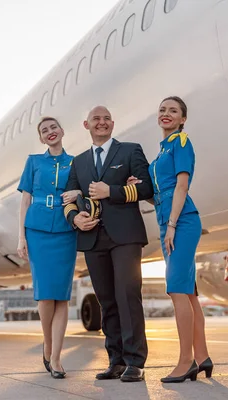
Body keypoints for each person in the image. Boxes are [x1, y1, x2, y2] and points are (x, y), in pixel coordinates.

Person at [63, 106, 154, 382]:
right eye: (96, 119)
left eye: (105, 119)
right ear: (86, 125)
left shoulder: (130, 151)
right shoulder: (78, 162)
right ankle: (115, 360)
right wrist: (75, 220)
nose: (101, 123)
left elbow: (147, 188)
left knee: (128, 295)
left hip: (125, 235)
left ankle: (135, 361)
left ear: (112, 123)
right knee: (107, 301)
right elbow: (67, 199)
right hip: (93, 238)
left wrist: (110, 191)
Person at [146, 96, 212, 383]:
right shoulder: (161, 152)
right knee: (187, 291)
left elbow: (182, 185)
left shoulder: (181, 142)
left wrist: (172, 225)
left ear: (182, 118)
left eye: (173, 110)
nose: (166, 114)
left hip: (181, 221)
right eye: (162, 110)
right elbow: (160, 192)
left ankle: (186, 362)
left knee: (175, 289)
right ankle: (202, 356)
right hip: (169, 222)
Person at [17, 116, 82, 379]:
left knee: (62, 296)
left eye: (53, 127)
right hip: (38, 230)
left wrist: (77, 194)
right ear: (42, 139)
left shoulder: (75, 163)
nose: (50, 132)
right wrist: (21, 237)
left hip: (66, 230)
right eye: (45, 131)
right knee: (45, 295)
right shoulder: (33, 162)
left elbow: (85, 191)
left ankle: (56, 357)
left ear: (62, 131)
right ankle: (47, 342)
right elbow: (24, 200)